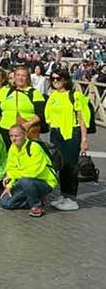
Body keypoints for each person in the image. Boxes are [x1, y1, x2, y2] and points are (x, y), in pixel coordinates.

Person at [44, 70, 88, 211]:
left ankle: (72, 198)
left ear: (65, 79)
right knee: (60, 165)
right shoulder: (53, 96)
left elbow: (82, 119)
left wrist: (84, 140)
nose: (55, 81)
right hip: (56, 133)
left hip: (72, 133)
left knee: (71, 166)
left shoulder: (75, 95)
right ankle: (64, 195)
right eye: (53, 78)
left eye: (58, 78)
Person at [0, 125, 58, 217]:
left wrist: (13, 176)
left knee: (25, 181)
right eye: (11, 136)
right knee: (5, 202)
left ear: (25, 135)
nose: (13, 139)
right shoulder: (13, 148)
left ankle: (37, 205)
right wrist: (9, 186)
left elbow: (33, 172)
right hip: (23, 182)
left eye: (16, 136)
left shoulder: (34, 147)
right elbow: (10, 169)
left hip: (44, 182)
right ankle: (33, 198)